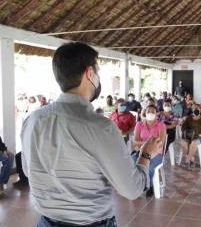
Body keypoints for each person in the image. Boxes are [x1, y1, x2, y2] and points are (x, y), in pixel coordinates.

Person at [21, 42, 162, 226]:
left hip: (46, 222)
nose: (98, 77)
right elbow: (132, 189)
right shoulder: (101, 127)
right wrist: (145, 154)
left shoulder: (32, 120)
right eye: (98, 71)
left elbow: (27, 170)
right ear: (89, 73)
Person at [132, 105, 166, 197]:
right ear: (145, 113)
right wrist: (148, 143)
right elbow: (135, 141)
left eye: (153, 111)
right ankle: (134, 185)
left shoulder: (161, 125)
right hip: (141, 151)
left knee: (150, 167)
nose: (150, 113)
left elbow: (161, 143)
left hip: (157, 153)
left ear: (156, 114)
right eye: (148, 111)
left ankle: (148, 185)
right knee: (131, 162)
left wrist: (142, 145)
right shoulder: (139, 124)